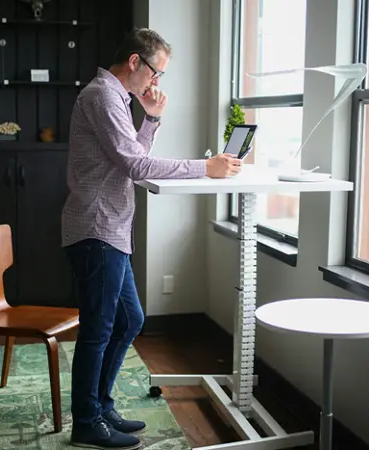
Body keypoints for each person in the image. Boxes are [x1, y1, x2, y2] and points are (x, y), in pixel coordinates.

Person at [61, 28, 242, 449]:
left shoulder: (116, 99)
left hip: (110, 230)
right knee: (98, 330)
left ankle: (101, 407)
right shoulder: (102, 96)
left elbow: (132, 160)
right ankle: (87, 421)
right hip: (96, 229)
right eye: (156, 72)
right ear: (135, 62)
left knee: (130, 320)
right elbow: (137, 167)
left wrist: (152, 119)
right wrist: (205, 166)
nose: (156, 82)